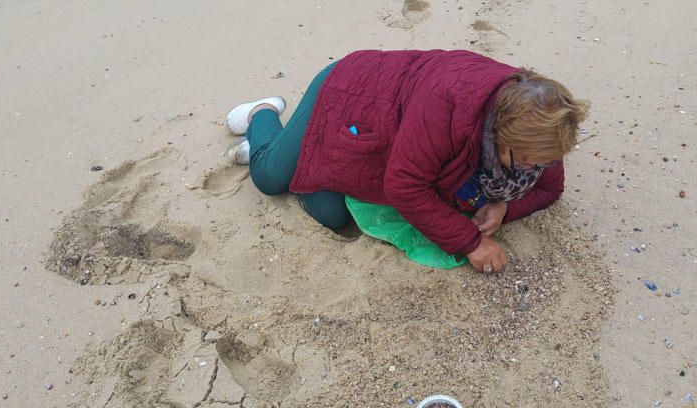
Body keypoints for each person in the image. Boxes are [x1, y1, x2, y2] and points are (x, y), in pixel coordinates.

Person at [224, 50, 588, 274]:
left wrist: (504, 207)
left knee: (331, 213)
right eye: (525, 162)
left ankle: (283, 146)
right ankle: (263, 115)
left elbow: (551, 188)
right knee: (270, 176)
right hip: (347, 92)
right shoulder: (448, 107)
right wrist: (471, 243)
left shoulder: (541, 129)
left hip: (388, 132)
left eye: (542, 162)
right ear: (501, 134)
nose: (533, 169)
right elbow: (404, 185)